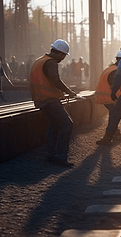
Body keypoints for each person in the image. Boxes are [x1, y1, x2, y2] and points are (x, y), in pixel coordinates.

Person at [30, 39, 77, 167]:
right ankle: (61, 157)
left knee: (54, 125)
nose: (62, 59)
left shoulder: (40, 60)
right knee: (67, 124)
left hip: (40, 100)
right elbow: (55, 80)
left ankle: (50, 155)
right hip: (49, 100)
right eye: (63, 56)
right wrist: (68, 91)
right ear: (61, 54)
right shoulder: (51, 63)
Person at [95, 51, 121, 142]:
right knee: (114, 116)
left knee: (113, 115)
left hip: (105, 97)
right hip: (109, 98)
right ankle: (108, 138)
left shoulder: (110, 68)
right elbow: (115, 85)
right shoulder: (115, 71)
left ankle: (116, 136)